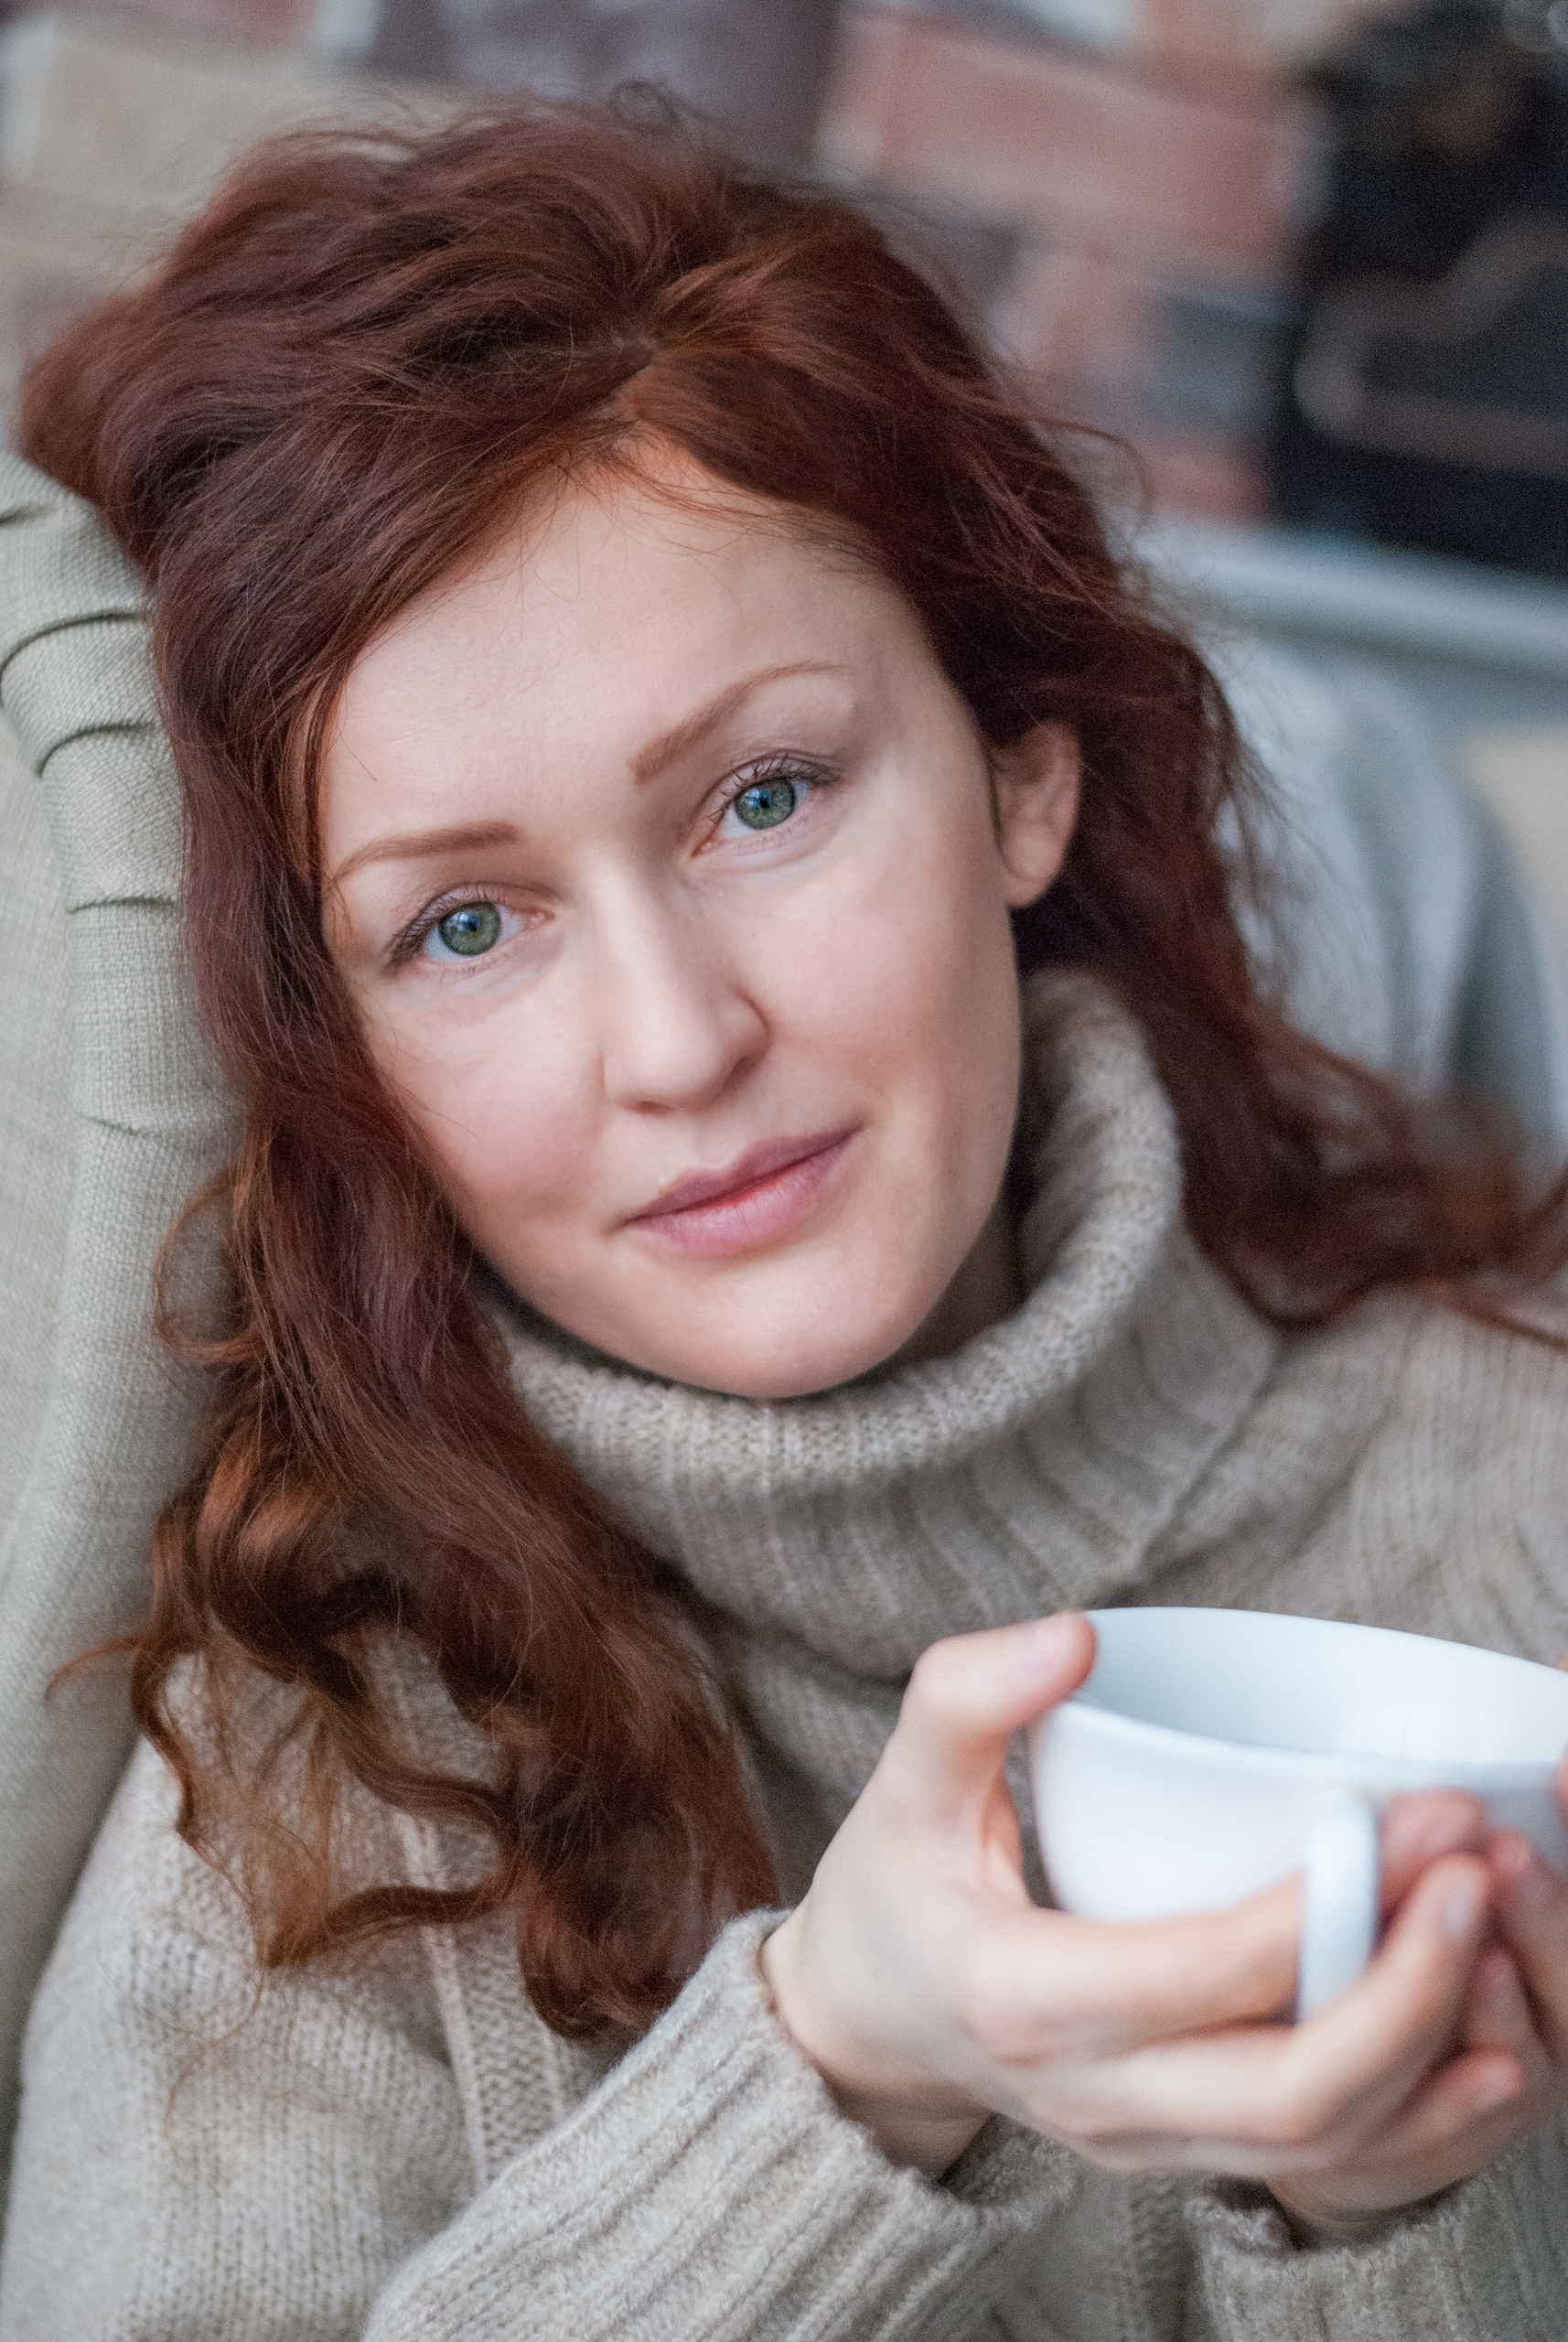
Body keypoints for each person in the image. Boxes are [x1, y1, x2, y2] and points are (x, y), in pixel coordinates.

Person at [2, 102, 1567, 2342]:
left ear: (1021, 768)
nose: (674, 1039)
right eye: (463, 923)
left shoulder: (1516, 1486)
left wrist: (1390, 2220)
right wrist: (835, 2069)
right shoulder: (309, 1776)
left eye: (763, 794)